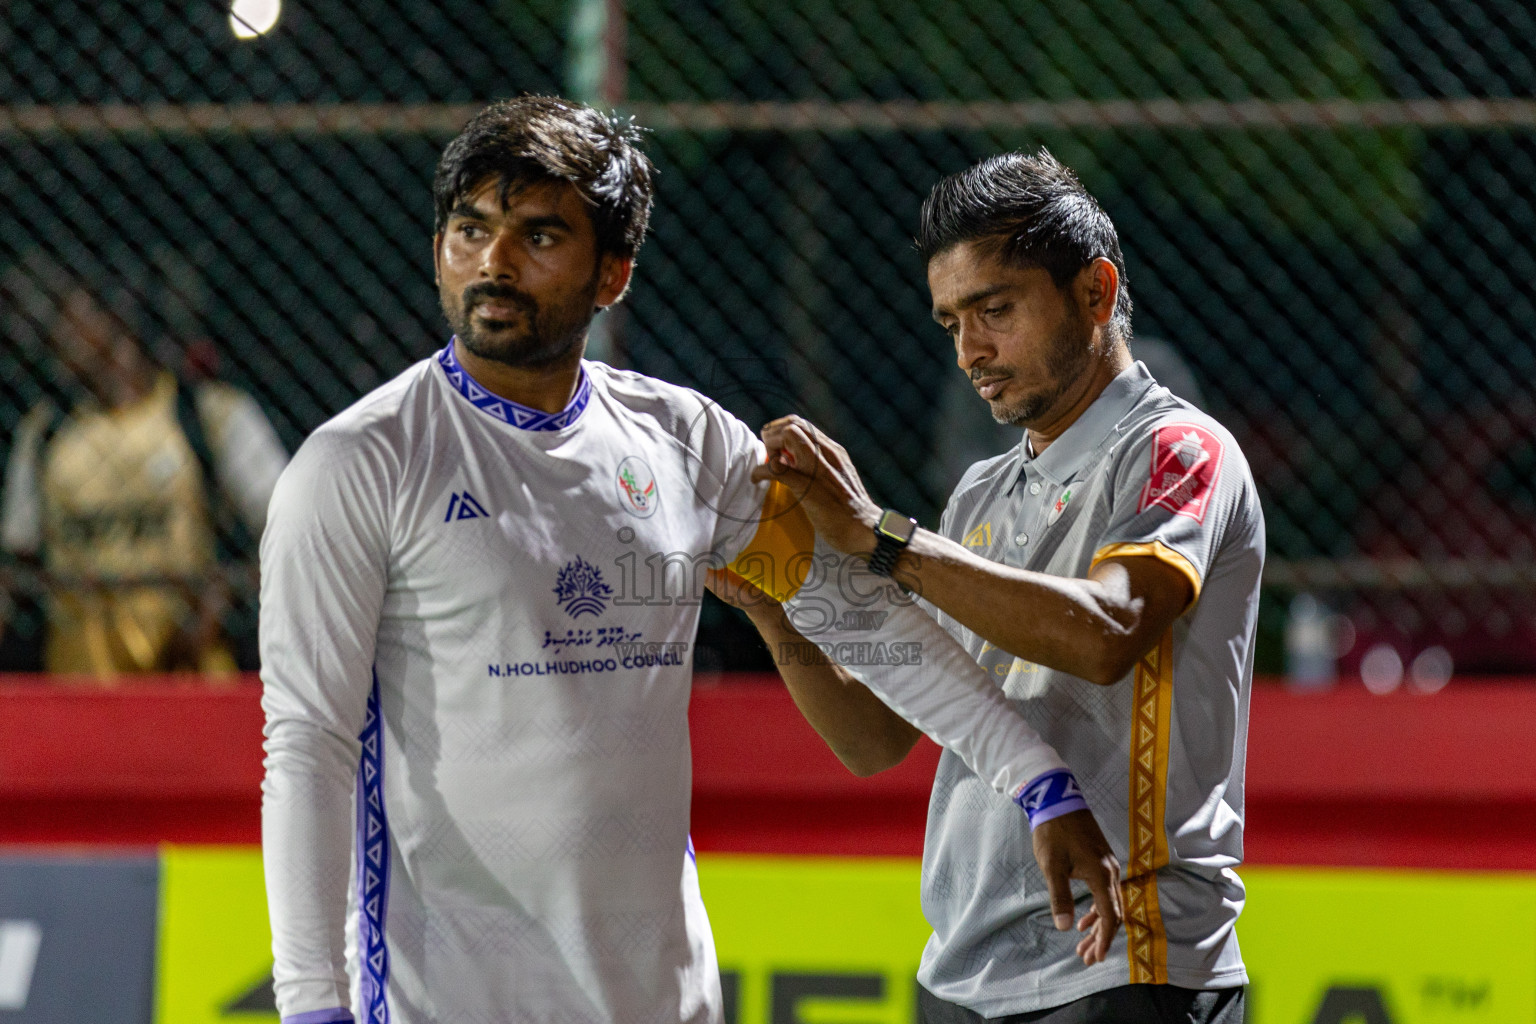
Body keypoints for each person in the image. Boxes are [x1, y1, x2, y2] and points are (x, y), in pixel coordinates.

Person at [258, 98, 1124, 1024]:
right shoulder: (360, 464)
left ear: (614, 273)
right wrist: (314, 1004)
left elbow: (863, 621)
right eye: (470, 229)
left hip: (664, 997)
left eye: (540, 234)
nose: (494, 261)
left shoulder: (687, 441)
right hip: (447, 1000)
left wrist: (1038, 781)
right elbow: (307, 744)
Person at [728, 150, 1263, 1023]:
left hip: (1129, 959)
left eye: (996, 310)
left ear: (1095, 292)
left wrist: (882, 537)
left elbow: (1103, 634)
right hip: (962, 973)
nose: (972, 350)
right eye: (951, 323)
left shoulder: (1179, 450)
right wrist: (767, 597)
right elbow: (873, 738)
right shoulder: (978, 492)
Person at [0, 278, 287, 678]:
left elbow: (290, 528)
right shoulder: (46, 433)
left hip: (189, 677)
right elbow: (17, 562)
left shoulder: (207, 416)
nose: (58, 335)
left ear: (115, 322)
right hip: (79, 684)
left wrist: (222, 598)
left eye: (72, 319)